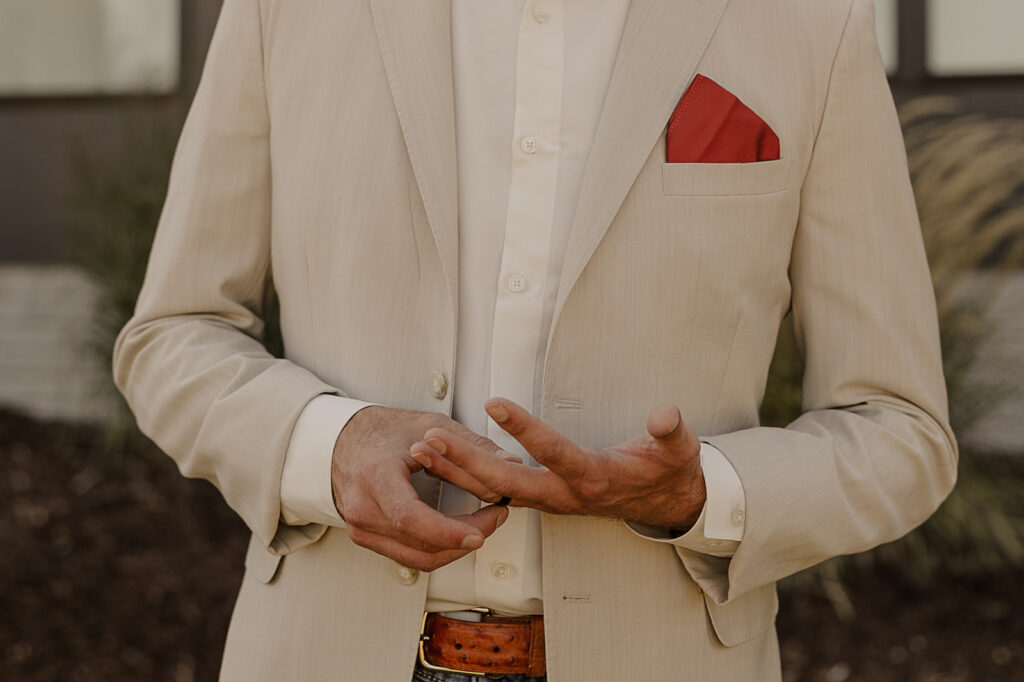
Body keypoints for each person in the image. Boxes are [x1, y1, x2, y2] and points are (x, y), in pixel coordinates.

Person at [113, 0, 958, 679]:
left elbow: (899, 427)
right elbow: (173, 334)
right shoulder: (284, 10)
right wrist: (328, 445)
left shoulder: (815, 21)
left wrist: (704, 496)